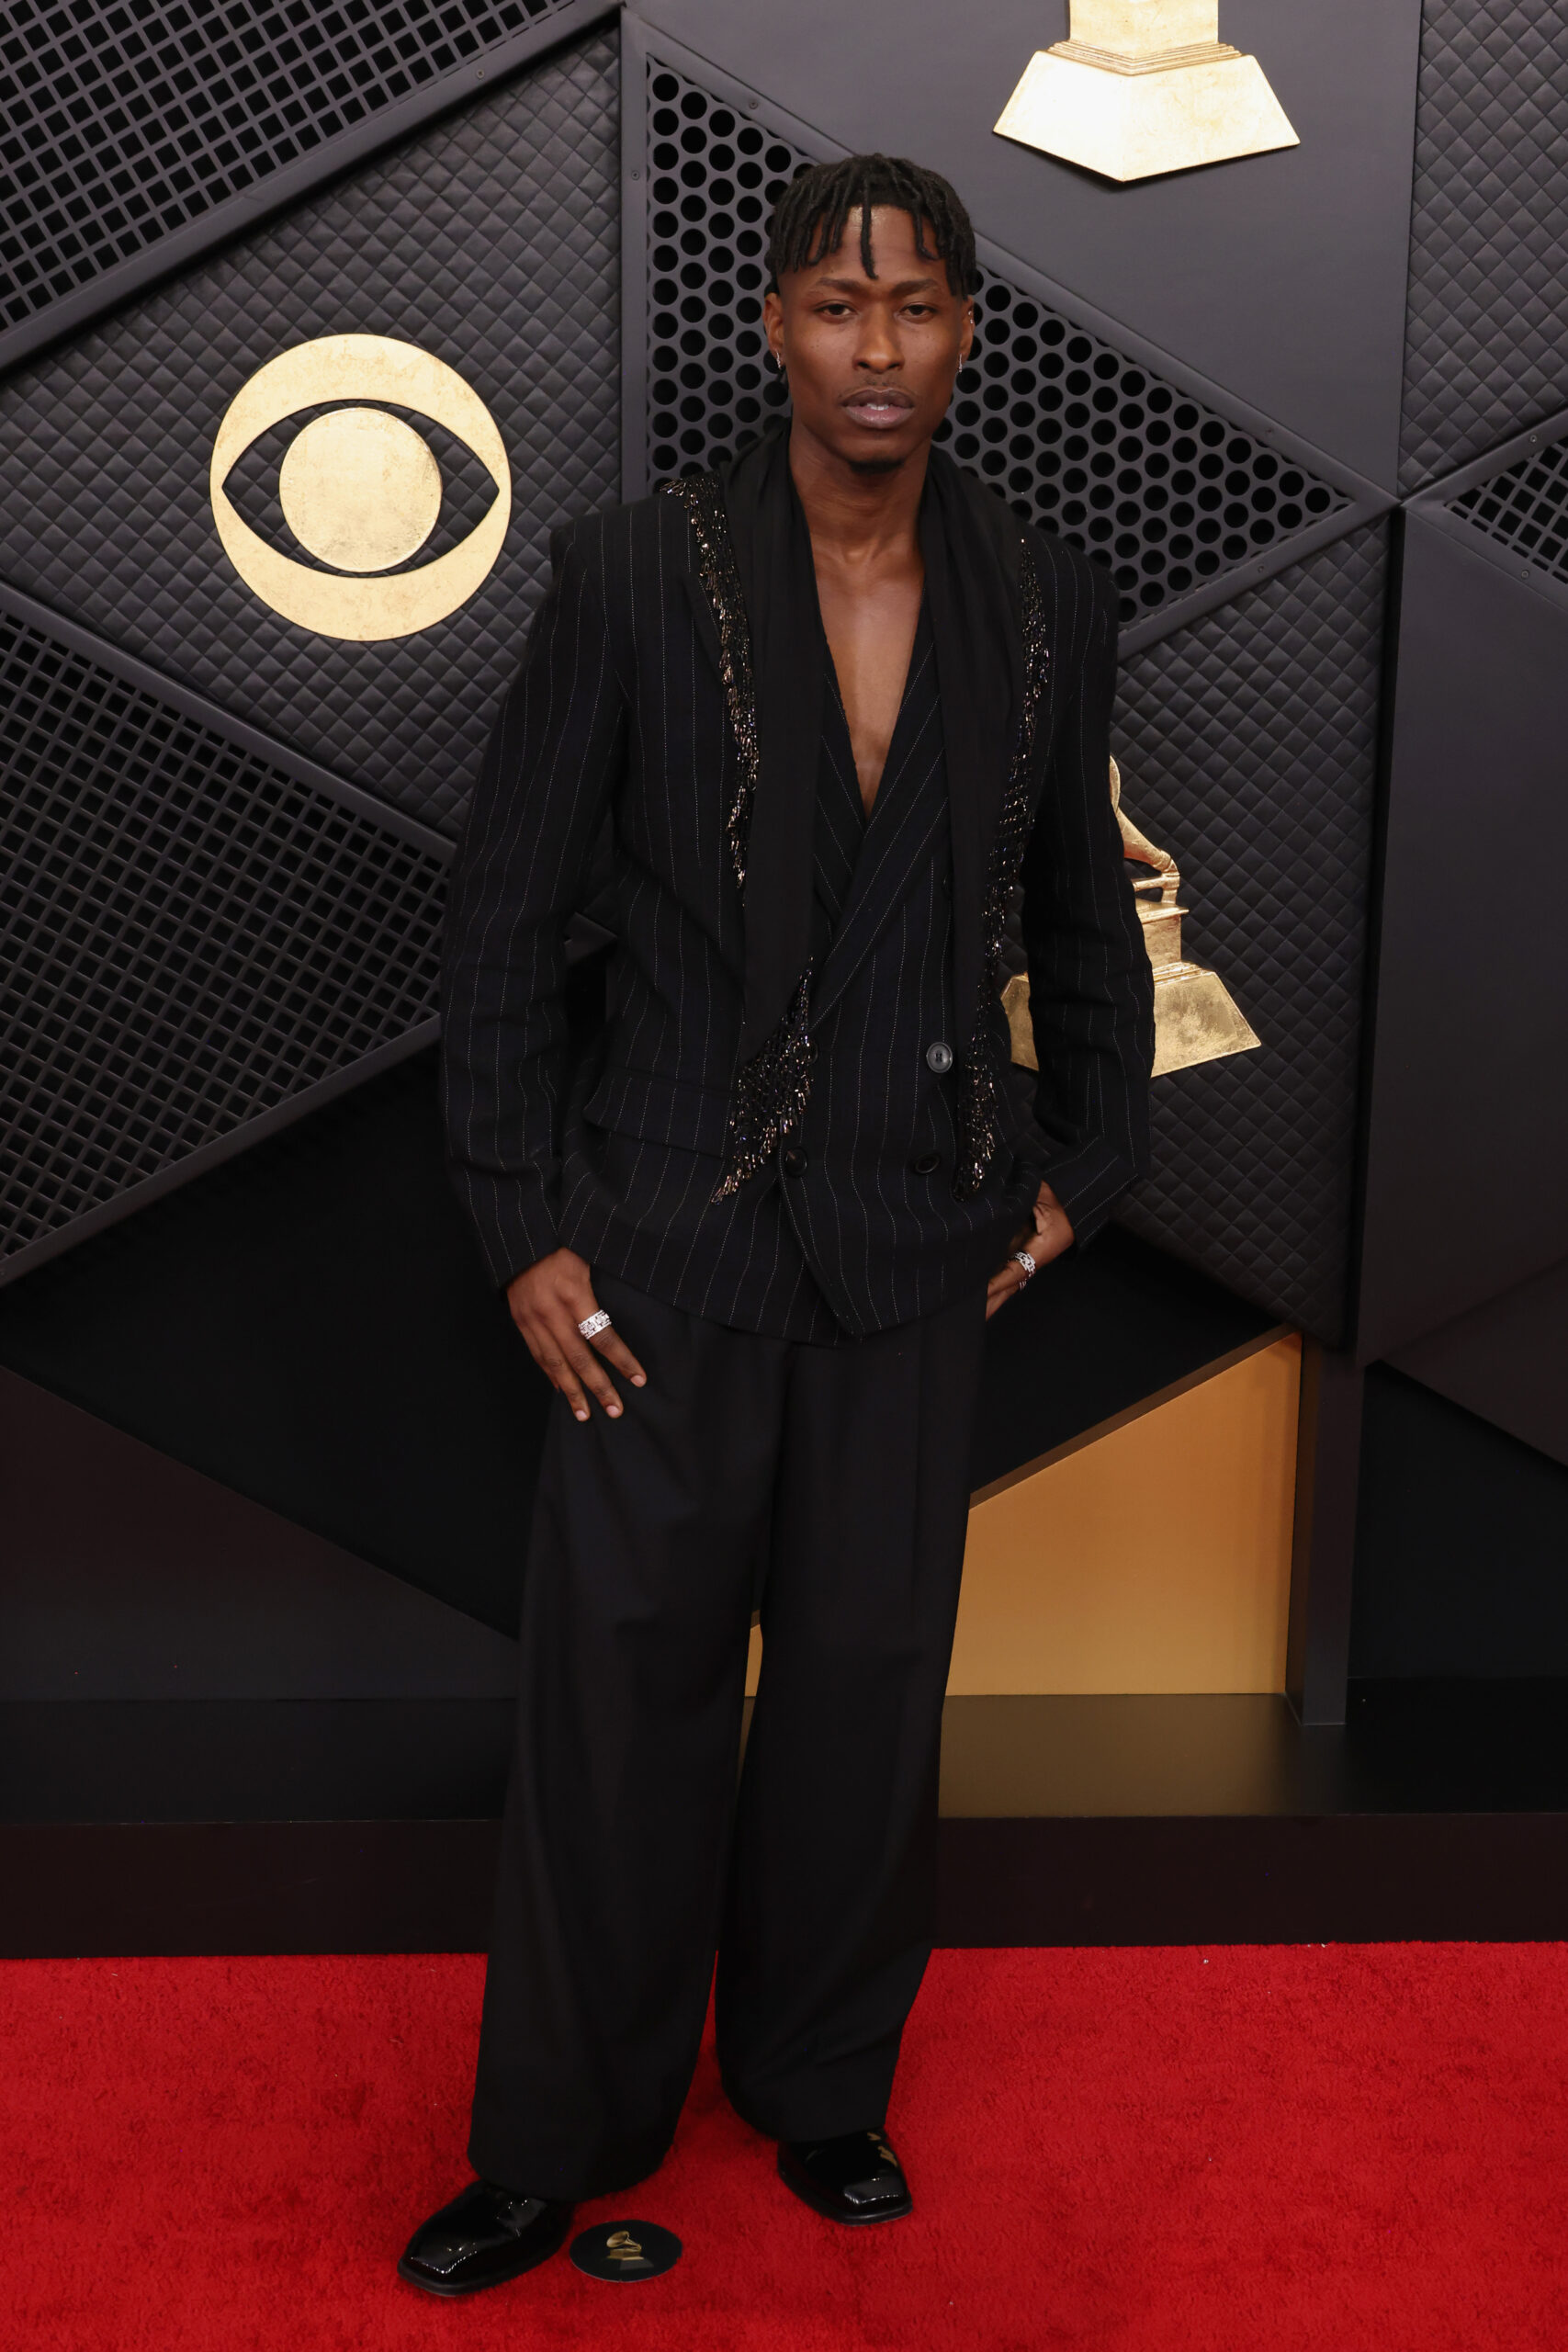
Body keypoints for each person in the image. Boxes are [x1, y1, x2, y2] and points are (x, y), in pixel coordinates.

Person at [400, 153, 1153, 2295]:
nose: (875, 346)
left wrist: (1084, 1169)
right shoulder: (634, 574)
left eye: (913, 306)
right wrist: (519, 1218)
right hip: (659, 1244)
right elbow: (504, 923)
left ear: (968, 329)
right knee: (616, 1706)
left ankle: (820, 2083)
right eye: (834, 304)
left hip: (913, 1242)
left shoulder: (1044, 594)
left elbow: (1080, 914)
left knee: (859, 1695)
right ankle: (555, 2139)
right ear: (773, 331)